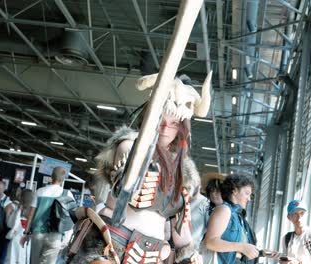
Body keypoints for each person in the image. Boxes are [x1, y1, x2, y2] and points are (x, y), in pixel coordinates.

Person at [68, 72, 211, 263]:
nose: (165, 128)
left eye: (174, 123)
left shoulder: (181, 171)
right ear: (150, 116)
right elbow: (124, 185)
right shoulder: (130, 145)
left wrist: (191, 254)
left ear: (181, 129)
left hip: (151, 253)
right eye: (161, 120)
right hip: (112, 245)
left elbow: (180, 229)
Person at [20, 166, 76, 263]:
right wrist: (67, 238)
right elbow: (71, 218)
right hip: (56, 235)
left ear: (51, 177)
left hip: (38, 233)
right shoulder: (67, 194)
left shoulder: (40, 192)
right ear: (63, 179)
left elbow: (31, 215)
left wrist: (25, 233)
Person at [204, 174, 259, 264]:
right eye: (246, 193)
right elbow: (210, 242)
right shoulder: (224, 210)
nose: (249, 198)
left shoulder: (239, 217)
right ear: (234, 190)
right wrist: (242, 247)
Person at [278, 199, 311, 264]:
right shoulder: (286, 238)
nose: (299, 217)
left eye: (302, 213)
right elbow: (286, 259)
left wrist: (300, 263)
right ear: (289, 217)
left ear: (307, 215)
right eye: (295, 214)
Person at [199, 174, 225, 263]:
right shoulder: (204, 207)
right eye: (211, 190)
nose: (214, 194)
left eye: (217, 191)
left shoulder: (231, 213)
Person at [5, 189, 34, 264]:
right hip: (26, 240)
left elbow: (9, 223)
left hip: (16, 239)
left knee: (12, 260)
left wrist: (7, 216)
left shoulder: (18, 210)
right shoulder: (33, 212)